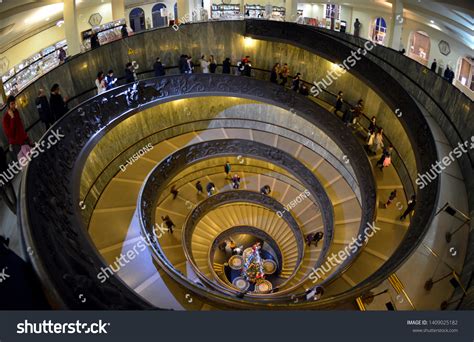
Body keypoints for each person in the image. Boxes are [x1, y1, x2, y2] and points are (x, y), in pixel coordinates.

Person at [2, 96, 30, 161]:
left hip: (24, 140)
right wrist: (12, 118)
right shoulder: (5, 118)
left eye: (15, 103)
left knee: (31, 159)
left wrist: (26, 137)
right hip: (16, 145)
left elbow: (20, 126)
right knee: (24, 164)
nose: (14, 105)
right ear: (8, 105)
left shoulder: (16, 111)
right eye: (12, 104)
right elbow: (10, 134)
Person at [0, 148, 16, 214]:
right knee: (8, 186)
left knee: (2, 193)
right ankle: (16, 204)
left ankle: (13, 209)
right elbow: (2, 155)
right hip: (1, 168)